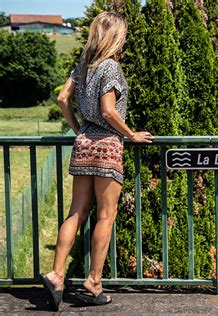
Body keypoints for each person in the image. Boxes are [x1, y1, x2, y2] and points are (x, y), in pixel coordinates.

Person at [39, 11, 153, 311]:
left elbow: (63, 98)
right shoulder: (111, 67)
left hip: (84, 143)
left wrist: (79, 130)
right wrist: (131, 135)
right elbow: (108, 111)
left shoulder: (84, 65)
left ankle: (56, 274)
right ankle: (93, 281)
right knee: (106, 215)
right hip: (106, 145)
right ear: (117, 36)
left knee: (76, 212)